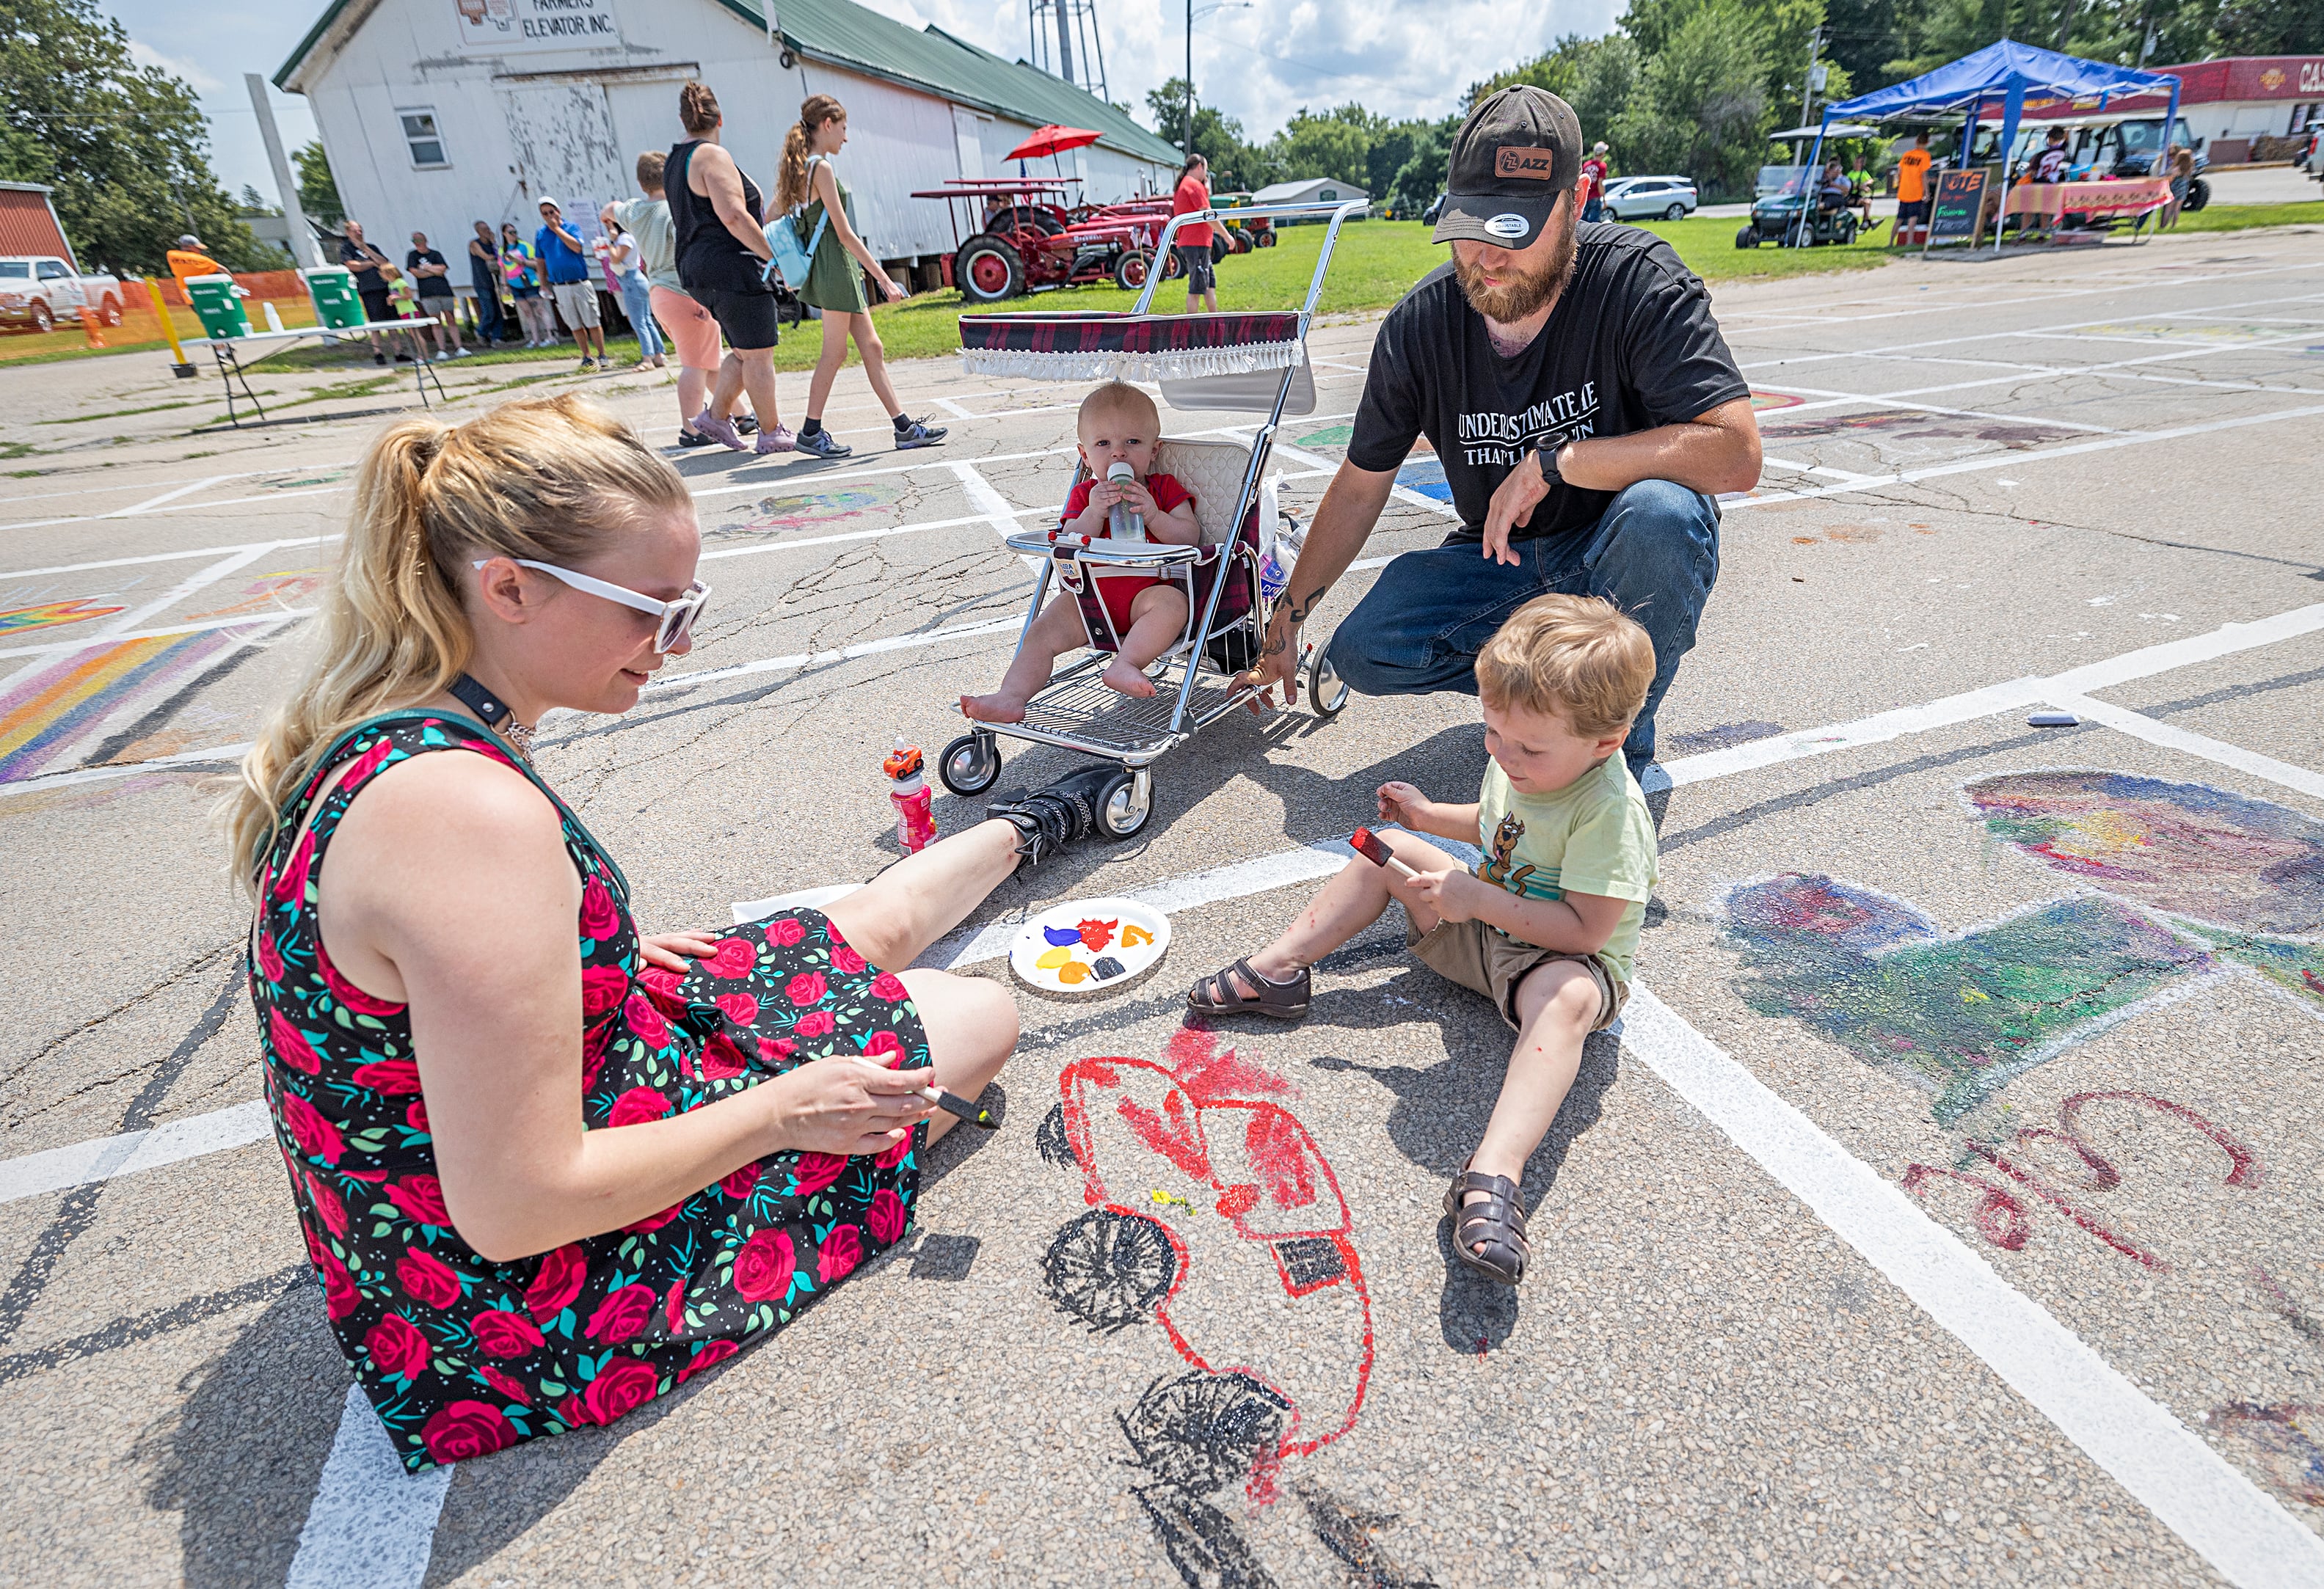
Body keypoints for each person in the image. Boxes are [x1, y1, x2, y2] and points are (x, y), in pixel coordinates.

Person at [222, 391, 1059, 1472]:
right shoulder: (462, 814)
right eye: (652, 609)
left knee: (851, 929)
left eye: (687, 603)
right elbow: (518, 1205)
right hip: (507, 1301)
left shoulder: (393, 728)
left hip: (474, 1153)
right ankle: (1037, 823)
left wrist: (578, 959)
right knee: (976, 1015)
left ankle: (1030, 823)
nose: (677, 640)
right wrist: (779, 1112)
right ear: (509, 586)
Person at [1240, 86, 1759, 777]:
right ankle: (1549, 697)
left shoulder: (1637, 282)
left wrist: (1557, 463)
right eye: (1468, 225)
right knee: (1367, 649)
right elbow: (1361, 486)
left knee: (1664, 514)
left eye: (1511, 231)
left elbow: (1734, 451)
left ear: (1573, 207)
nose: (1484, 256)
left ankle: (1603, 761)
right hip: (1507, 566)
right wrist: (1286, 624)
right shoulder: (1420, 326)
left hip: (1618, 548)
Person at [1189, 593, 1658, 1287]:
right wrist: (1428, 815)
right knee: (1384, 847)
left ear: (1605, 742)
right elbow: (1502, 823)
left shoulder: (1608, 814)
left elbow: (1585, 929)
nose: (1505, 755)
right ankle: (1281, 969)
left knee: (1567, 997)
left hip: (1557, 960)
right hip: (1481, 929)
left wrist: (1476, 898)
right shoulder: (1525, 760)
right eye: (1493, 734)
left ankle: (1492, 1172)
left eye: (1527, 748)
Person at [960, 382, 1200, 722]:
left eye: (1132, 442)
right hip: (1090, 601)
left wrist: (1154, 515)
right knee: (1040, 634)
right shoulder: (1085, 495)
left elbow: (1191, 536)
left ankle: (1125, 664)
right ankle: (1011, 696)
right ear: (1085, 456)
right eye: (1103, 444)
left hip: (1145, 596)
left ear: (1154, 450)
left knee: (1174, 605)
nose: (1118, 454)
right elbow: (1067, 541)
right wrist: (1093, 513)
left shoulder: (1163, 488)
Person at [776, 94, 948, 459]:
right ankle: (810, 432)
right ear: (827, 124)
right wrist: (884, 280)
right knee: (834, 353)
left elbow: (770, 213)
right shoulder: (820, 168)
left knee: (872, 347)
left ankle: (904, 428)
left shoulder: (799, 169)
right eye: (843, 128)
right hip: (836, 268)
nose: (845, 137)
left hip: (832, 269)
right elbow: (844, 233)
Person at [668, 81, 794, 456]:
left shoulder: (676, 159)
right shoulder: (712, 156)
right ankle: (771, 432)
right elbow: (735, 216)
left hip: (697, 268)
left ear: (683, 120)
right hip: (731, 268)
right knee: (759, 354)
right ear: (720, 118)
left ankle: (716, 417)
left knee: (743, 351)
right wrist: (777, 257)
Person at [611, 153, 750, 450]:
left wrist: (610, 229)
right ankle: (691, 429)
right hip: (685, 292)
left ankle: (741, 414)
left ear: (641, 181)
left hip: (659, 294)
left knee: (707, 360)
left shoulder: (635, 210)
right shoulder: (677, 212)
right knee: (694, 365)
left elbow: (611, 209)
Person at [536, 197, 606, 370]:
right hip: (560, 285)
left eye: (551, 212)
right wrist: (543, 283)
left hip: (580, 282)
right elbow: (540, 261)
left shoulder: (572, 227)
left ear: (558, 211)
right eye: (545, 214)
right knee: (574, 324)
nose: (549, 216)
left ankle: (602, 354)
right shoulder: (541, 234)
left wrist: (557, 230)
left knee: (592, 321)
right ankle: (586, 356)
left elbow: (576, 247)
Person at [600, 213, 663, 371]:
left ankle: (647, 359)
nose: (607, 227)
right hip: (635, 279)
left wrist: (611, 241)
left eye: (609, 224)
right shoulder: (629, 237)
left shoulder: (624, 239)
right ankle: (658, 355)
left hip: (632, 281)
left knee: (638, 322)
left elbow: (615, 259)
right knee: (646, 320)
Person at [340, 221, 405, 365]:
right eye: (355, 230)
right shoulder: (346, 249)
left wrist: (367, 250)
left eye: (360, 230)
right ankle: (378, 353)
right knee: (375, 323)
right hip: (368, 290)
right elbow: (353, 266)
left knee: (392, 322)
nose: (359, 233)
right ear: (348, 232)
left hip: (385, 287)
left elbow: (384, 262)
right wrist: (370, 263)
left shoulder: (371, 247)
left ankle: (398, 352)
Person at [406, 231, 467, 360]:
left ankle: (459, 347)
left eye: (420, 240)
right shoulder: (412, 255)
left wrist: (426, 269)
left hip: (444, 290)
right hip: (427, 294)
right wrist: (434, 271)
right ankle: (442, 349)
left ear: (425, 240)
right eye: (415, 241)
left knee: (451, 318)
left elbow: (443, 269)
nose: (418, 244)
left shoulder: (435, 254)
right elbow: (415, 272)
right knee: (436, 321)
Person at [1168, 154, 1218, 315]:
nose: (1206, 174)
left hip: (1198, 243)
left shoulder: (1186, 185)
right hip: (1195, 243)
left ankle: (1215, 321)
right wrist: (1226, 235)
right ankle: (1192, 327)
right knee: (1196, 288)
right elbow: (1208, 214)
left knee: (1209, 286)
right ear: (1199, 167)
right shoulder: (1193, 185)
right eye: (1206, 169)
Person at [500, 222, 556, 349]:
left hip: (529, 282)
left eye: (515, 232)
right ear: (504, 234)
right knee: (527, 312)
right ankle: (535, 339)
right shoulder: (502, 250)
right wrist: (505, 285)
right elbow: (503, 268)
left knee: (540, 310)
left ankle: (551, 336)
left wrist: (521, 262)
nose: (514, 235)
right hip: (515, 284)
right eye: (510, 232)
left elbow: (537, 263)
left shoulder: (525, 246)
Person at [466, 222, 506, 346]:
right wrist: (494, 247)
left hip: (495, 282)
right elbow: (487, 257)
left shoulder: (492, 245)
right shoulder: (474, 244)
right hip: (482, 282)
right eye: (484, 229)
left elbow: (501, 256)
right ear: (478, 231)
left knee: (499, 311)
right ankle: (481, 332)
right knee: (489, 311)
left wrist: (494, 243)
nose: (487, 231)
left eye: (488, 228)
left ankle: (497, 337)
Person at [1893, 131, 1934, 245]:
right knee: (1913, 218)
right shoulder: (1925, 156)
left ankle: (1891, 242)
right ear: (1927, 143)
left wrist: (1900, 184)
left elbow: (1899, 171)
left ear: (1916, 141)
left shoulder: (1907, 155)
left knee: (1899, 219)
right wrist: (1927, 193)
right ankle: (1909, 241)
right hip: (1915, 192)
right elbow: (1924, 176)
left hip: (1904, 191)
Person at [165, 234, 225, 300]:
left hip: (188, 295)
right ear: (191, 247)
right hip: (206, 292)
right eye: (198, 248)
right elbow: (223, 269)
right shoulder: (203, 260)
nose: (200, 251)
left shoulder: (171, 255)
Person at [1577, 142, 1611, 224]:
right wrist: (1604, 199)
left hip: (1586, 196)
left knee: (1583, 220)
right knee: (1594, 221)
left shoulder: (1586, 165)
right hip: (1595, 196)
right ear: (1602, 153)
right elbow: (1600, 183)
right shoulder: (1602, 166)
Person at [2165, 142, 2195, 227]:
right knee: (2177, 209)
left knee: (2168, 208)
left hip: (2174, 188)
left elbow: (2170, 177)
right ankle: (2173, 225)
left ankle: (2164, 225)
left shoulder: (2176, 169)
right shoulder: (2189, 169)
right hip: (2183, 189)